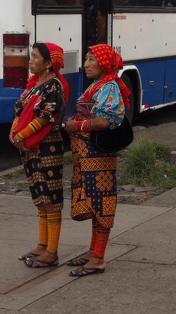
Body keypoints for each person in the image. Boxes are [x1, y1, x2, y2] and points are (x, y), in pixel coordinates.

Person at [64, 44, 130, 277]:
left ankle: (99, 258)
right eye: (86, 59)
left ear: (104, 63)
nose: (86, 64)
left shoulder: (109, 88)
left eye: (92, 59)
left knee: (102, 204)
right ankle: (92, 251)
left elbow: (103, 122)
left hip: (99, 157)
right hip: (87, 156)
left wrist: (76, 125)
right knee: (94, 203)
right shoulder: (98, 86)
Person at [9, 42, 69, 268]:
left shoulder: (53, 86)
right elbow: (20, 110)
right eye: (31, 56)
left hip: (48, 146)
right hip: (31, 146)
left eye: (35, 57)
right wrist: (14, 131)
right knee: (40, 195)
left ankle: (52, 252)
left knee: (51, 197)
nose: (30, 60)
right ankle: (42, 245)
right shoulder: (35, 84)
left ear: (49, 63)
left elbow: (45, 116)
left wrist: (21, 135)